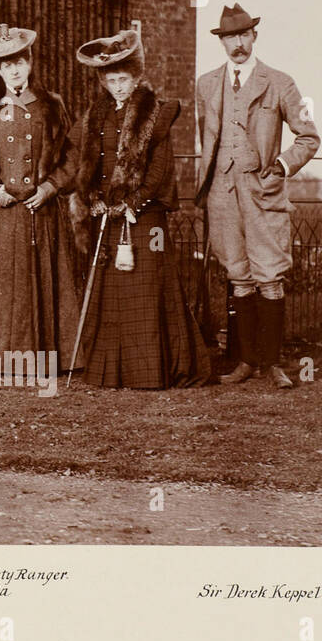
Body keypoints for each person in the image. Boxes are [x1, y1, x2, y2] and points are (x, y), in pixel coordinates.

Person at [68, 29, 211, 388]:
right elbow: (90, 163)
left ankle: (149, 371)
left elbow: (159, 168)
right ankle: (110, 372)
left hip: (143, 216)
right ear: (103, 80)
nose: (117, 86)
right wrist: (94, 198)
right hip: (108, 213)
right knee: (112, 292)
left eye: (123, 80)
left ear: (135, 79)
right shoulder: (96, 116)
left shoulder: (155, 114)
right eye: (111, 80)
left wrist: (133, 202)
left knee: (145, 291)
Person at [195, 3, 319, 388]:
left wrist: (281, 166)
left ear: (254, 36)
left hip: (262, 192)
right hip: (222, 193)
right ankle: (247, 362)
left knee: (269, 277)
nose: (237, 44)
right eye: (229, 37)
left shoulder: (280, 82)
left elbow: (309, 137)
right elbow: (208, 139)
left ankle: (274, 363)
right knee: (239, 275)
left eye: (243, 35)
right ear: (222, 42)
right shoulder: (206, 84)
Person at [0, 24, 79, 369]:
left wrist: (50, 188)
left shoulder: (50, 104)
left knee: (42, 281)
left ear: (29, 62)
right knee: (0, 284)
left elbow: (71, 157)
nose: (14, 69)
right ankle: (2, 359)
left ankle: (46, 358)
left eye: (19, 62)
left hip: (39, 212)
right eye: (6, 64)